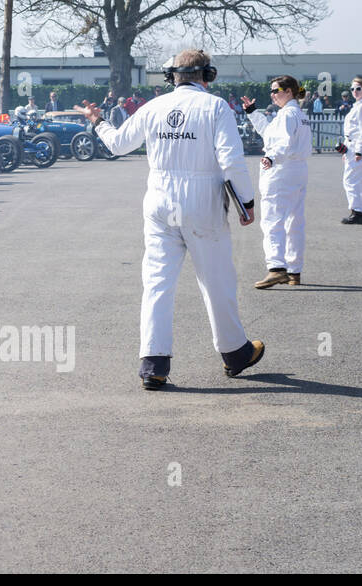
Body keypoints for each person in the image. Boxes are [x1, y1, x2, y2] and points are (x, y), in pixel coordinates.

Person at [80, 49, 264, 389]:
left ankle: (153, 363)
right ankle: (234, 352)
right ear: (207, 76)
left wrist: (98, 122)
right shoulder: (215, 108)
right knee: (216, 279)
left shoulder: (154, 107)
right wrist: (247, 202)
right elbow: (232, 161)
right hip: (202, 200)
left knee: (157, 282)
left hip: (160, 200)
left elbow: (118, 144)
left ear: (171, 77)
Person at [241, 77, 311, 287]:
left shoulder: (288, 114)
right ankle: (294, 270)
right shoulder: (297, 114)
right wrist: (253, 112)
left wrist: (272, 158)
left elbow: (281, 142)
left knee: (273, 220)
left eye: (276, 90)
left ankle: (276, 267)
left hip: (282, 169)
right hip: (297, 169)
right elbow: (271, 133)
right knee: (294, 221)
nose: (272, 94)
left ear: (288, 91)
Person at [337, 77, 362, 224]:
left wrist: (358, 151)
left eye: (358, 88)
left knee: (350, 180)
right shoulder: (357, 106)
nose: (354, 91)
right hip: (351, 147)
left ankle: (357, 211)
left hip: (358, 147)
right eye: (352, 89)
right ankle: (359, 211)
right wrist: (346, 151)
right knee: (357, 181)